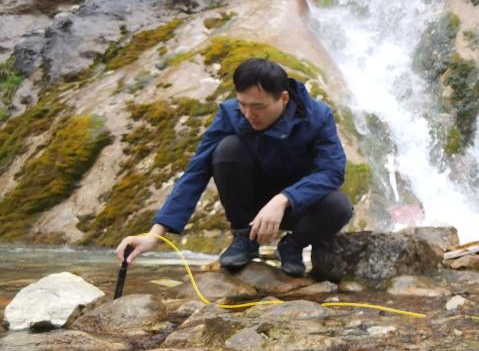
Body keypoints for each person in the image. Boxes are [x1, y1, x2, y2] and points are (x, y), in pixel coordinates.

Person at [116, 58, 353, 278]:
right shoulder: (230, 114)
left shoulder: (318, 116)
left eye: (258, 106)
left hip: (299, 205)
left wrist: (284, 199)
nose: (249, 114)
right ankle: (244, 239)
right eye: (243, 104)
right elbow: (196, 171)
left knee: (340, 206)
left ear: (284, 98)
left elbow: (332, 171)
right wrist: (155, 235)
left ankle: (293, 246)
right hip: (252, 203)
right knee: (228, 149)